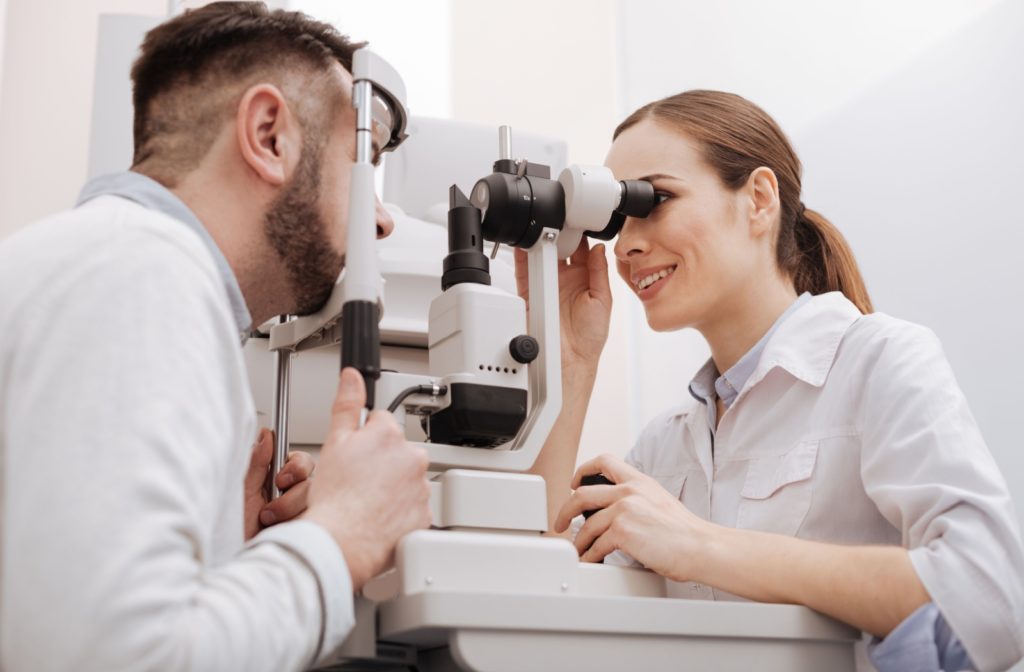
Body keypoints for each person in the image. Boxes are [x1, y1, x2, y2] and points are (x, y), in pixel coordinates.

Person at [526, 90, 1024, 671]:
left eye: (653, 200)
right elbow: (536, 600)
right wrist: (572, 362)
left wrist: (700, 545)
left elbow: (990, 594)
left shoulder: (877, 360)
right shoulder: (665, 447)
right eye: (617, 217)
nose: (628, 244)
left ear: (759, 200)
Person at [0, 3, 431, 671]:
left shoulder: (113, 265)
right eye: (361, 162)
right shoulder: (143, 278)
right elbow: (115, 657)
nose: (380, 222)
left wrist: (223, 555)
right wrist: (345, 535)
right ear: (269, 135)